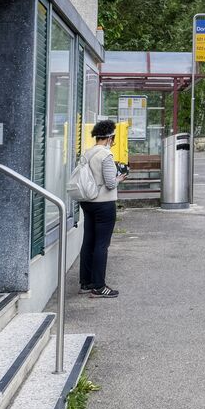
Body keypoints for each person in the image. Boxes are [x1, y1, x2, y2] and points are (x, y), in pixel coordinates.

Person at [79, 120, 121, 298]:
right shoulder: (106, 155)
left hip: (87, 202)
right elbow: (110, 183)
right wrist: (120, 178)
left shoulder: (87, 154)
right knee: (102, 245)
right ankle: (99, 286)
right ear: (110, 138)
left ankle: (85, 283)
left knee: (88, 242)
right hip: (104, 204)